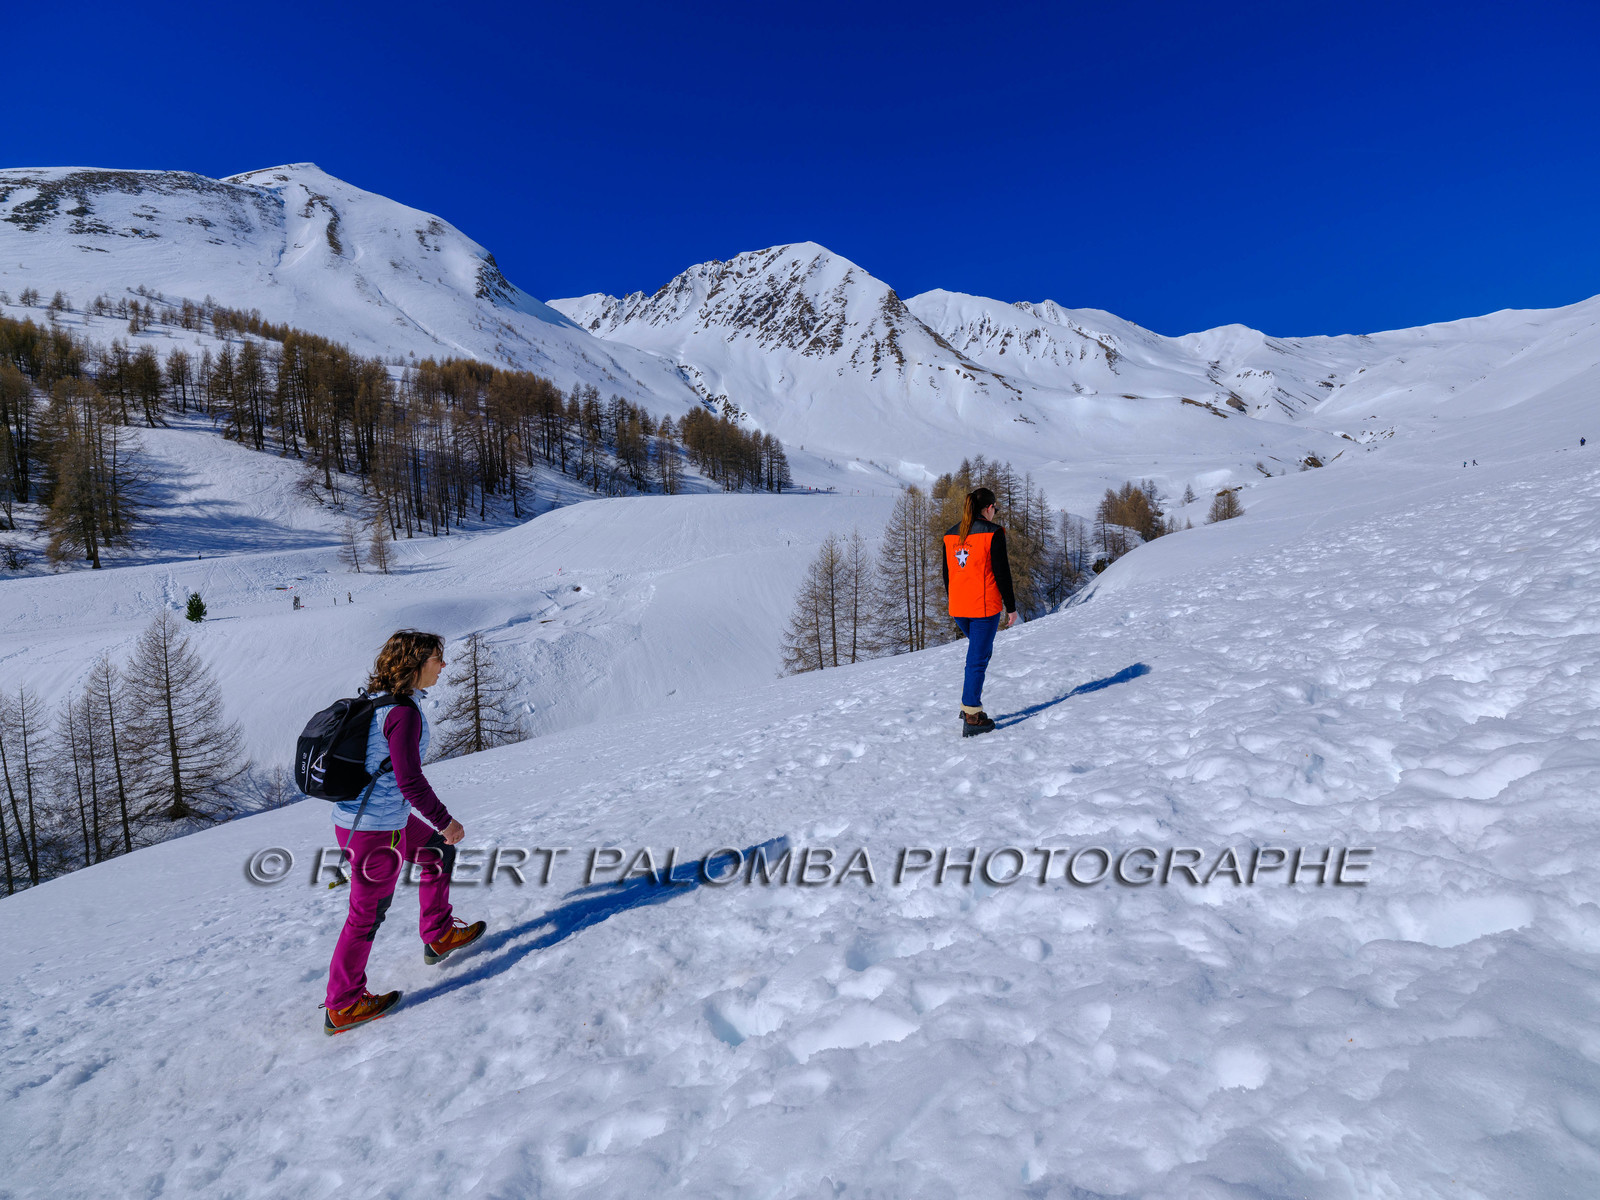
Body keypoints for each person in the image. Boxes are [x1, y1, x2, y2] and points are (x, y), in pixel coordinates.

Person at [322, 630, 485, 1034]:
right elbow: (409, 780)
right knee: (366, 916)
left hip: (375, 819)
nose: (443, 666)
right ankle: (342, 1005)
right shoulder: (402, 713)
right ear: (414, 663)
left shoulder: (382, 702)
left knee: (436, 851)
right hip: (374, 830)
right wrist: (447, 821)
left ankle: (439, 933)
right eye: (437, 659)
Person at [941, 487, 1018, 737]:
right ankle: (971, 715)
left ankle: (970, 705)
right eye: (995, 508)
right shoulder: (992, 533)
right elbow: (1002, 572)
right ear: (988, 508)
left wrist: (955, 599)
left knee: (980, 654)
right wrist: (1012, 607)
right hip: (983, 608)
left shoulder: (951, 534)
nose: (995, 512)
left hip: (959, 607)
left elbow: (947, 575)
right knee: (977, 659)